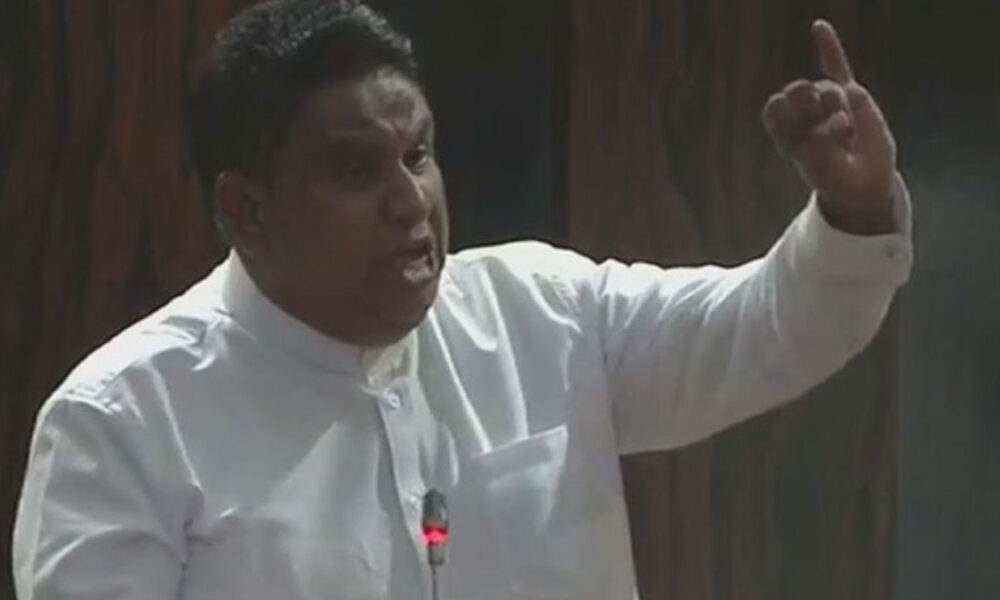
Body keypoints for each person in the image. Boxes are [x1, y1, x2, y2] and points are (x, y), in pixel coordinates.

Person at [11, 1, 912, 599]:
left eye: (418, 155)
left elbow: (767, 330)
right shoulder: (123, 422)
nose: (411, 202)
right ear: (246, 209)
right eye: (356, 170)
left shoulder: (542, 311)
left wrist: (854, 208)